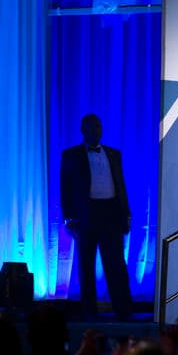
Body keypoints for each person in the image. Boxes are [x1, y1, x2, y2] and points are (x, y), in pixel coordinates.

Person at [60, 113, 132, 321]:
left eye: (99, 126)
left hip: (111, 213)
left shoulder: (113, 154)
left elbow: (121, 185)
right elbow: (65, 188)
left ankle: (124, 312)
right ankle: (89, 314)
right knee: (86, 265)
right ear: (83, 130)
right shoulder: (71, 155)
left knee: (116, 265)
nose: (96, 131)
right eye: (92, 127)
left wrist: (125, 214)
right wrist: (69, 218)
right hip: (86, 214)